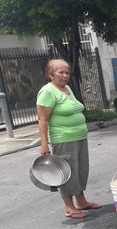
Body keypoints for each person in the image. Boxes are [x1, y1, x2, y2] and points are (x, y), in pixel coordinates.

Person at [36, 59, 102, 219]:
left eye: (67, 72)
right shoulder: (48, 92)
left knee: (80, 169)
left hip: (79, 136)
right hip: (63, 139)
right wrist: (44, 143)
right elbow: (42, 119)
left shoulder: (66, 89)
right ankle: (69, 207)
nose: (65, 75)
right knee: (67, 172)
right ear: (51, 74)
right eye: (61, 72)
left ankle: (81, 201)